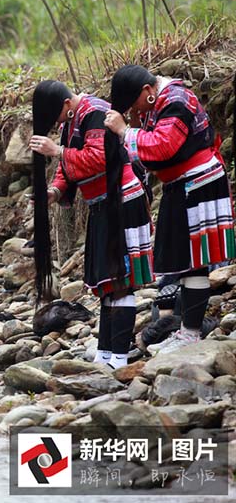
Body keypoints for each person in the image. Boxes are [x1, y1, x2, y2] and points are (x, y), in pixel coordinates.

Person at [104, 65, 235, 354]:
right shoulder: (160, 101)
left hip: (197, 182)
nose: (134, 110)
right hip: (184, 183)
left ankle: (190, 333)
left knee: (194, 260)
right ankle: (188, 331)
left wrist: (126, 131)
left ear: (147, 91)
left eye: (134, 103)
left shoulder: (175, 100)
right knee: (188, 261)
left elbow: (163, 147)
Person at [30, 80, 154, 369]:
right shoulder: (70, 123)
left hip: (121, 201)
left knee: (121, 281)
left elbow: (98, 160)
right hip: (102, 204)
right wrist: (54, 192)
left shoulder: (95, 113)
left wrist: (57, 152)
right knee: (107, 283)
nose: (55, 123)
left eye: (55, 116)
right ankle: (106, 352)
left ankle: (120, 356)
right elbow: (67, 170)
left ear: (66, 105)